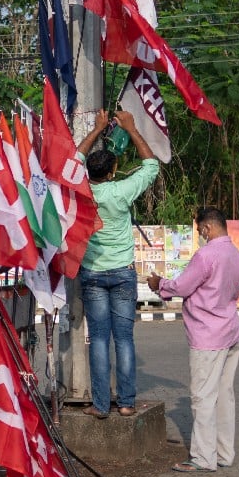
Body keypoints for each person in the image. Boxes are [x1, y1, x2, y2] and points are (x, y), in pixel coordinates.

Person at [147, 206, 239, 472]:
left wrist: (160, 284)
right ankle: (223, 453)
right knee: (224, 395)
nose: (200, 235)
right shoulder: (237, 256)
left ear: (207, 228)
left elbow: (182, 286)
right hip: (231, 331)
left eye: (199, 230)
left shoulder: (206, 255)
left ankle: (203, 457)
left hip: (208, 336)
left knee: (203, 397)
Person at [76, 109, 160, 419]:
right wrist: (132, 129)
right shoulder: (122, 191)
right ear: (112, 172)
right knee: (123, 338)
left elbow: (72, 160)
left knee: (98, 339)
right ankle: (125, 402)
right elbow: (151, 165)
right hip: (122, 273)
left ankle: (100, 405)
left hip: (93, 273)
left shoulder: (82, 190)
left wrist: (98, 130)